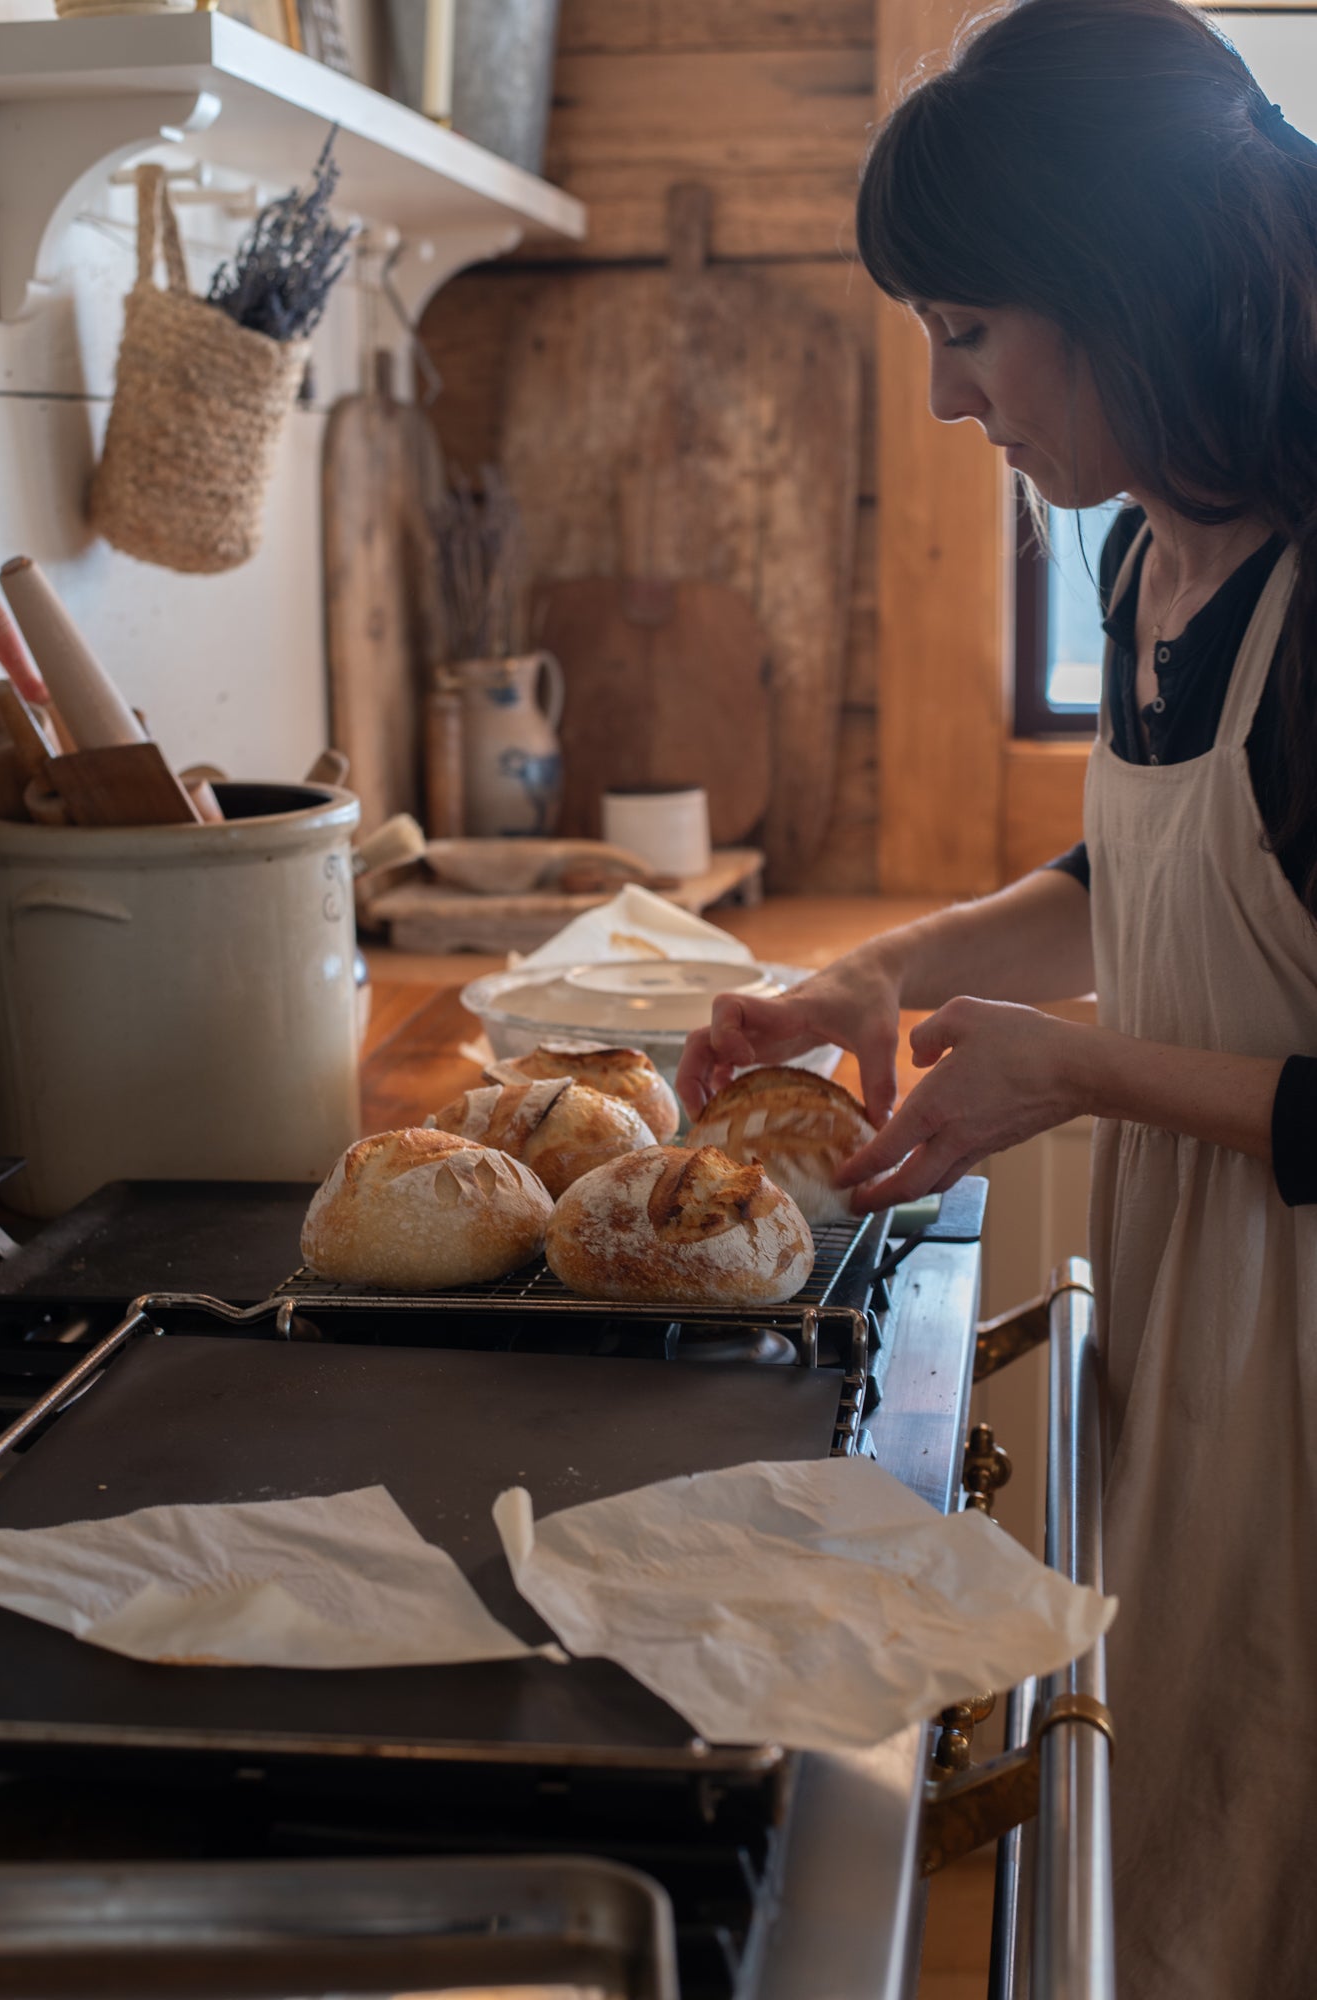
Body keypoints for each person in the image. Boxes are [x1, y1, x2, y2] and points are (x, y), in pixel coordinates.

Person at [676, 2, 1317, 1992]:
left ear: (1130, 289)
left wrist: (1081, 1074)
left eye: (966, 329)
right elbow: (1135, 877)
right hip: (1208, 1330)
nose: (948, 398)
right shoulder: (1151, 560)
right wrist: (882, 971)